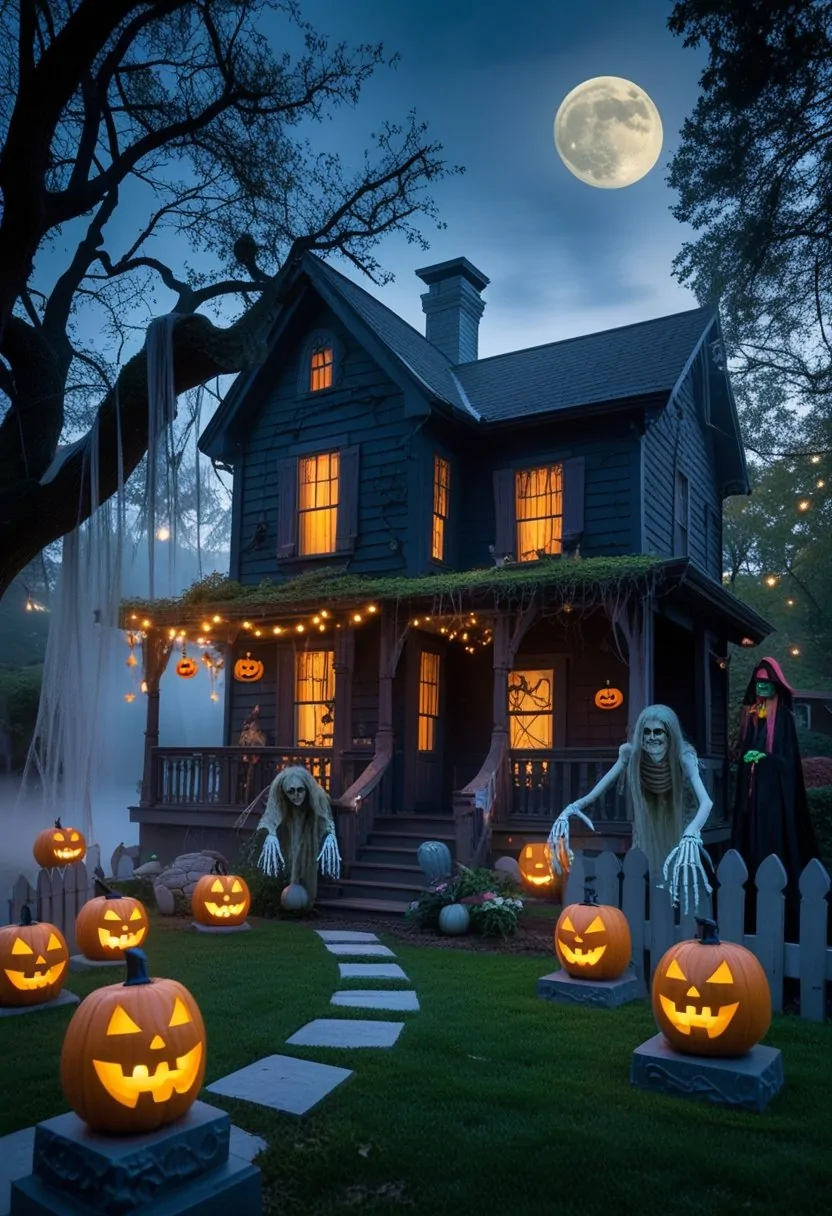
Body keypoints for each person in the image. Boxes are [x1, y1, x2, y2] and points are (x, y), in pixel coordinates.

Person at [547, 704, 713, 914]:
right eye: (646, 732)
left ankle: (686, 914)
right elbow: (602, 785)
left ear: (670, 734)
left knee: (680, 869)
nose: (651, 737)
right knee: (647, 869)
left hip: (681, 816)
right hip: (650, 819)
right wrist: (573, 807)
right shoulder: (631, 754)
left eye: (658, 732)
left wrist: (691, 831)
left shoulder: (684, 757)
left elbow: (706, 802)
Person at [731, 657, 819, 937]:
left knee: (772, 846)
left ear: (776, 684)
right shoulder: (753, 715)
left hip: (774, 801)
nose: (762, 687)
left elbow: (787, 762)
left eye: (767, 682)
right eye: (758, 682)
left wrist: (764, 758)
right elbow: (743, 751)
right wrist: (746, 759)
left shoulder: (783, 718)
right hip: (752, 799)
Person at [256, 765, 341, 904]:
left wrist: (329, 835)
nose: (296, 795)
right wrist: (271, 834)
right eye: (291, 791)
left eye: (300, 790)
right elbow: (270, 818)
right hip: (290, 832)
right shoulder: (280, 800)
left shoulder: (318, 798)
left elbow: (327, 819)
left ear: (306, 789)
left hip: (310, 832)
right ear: (285, 793)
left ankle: (306, 900)